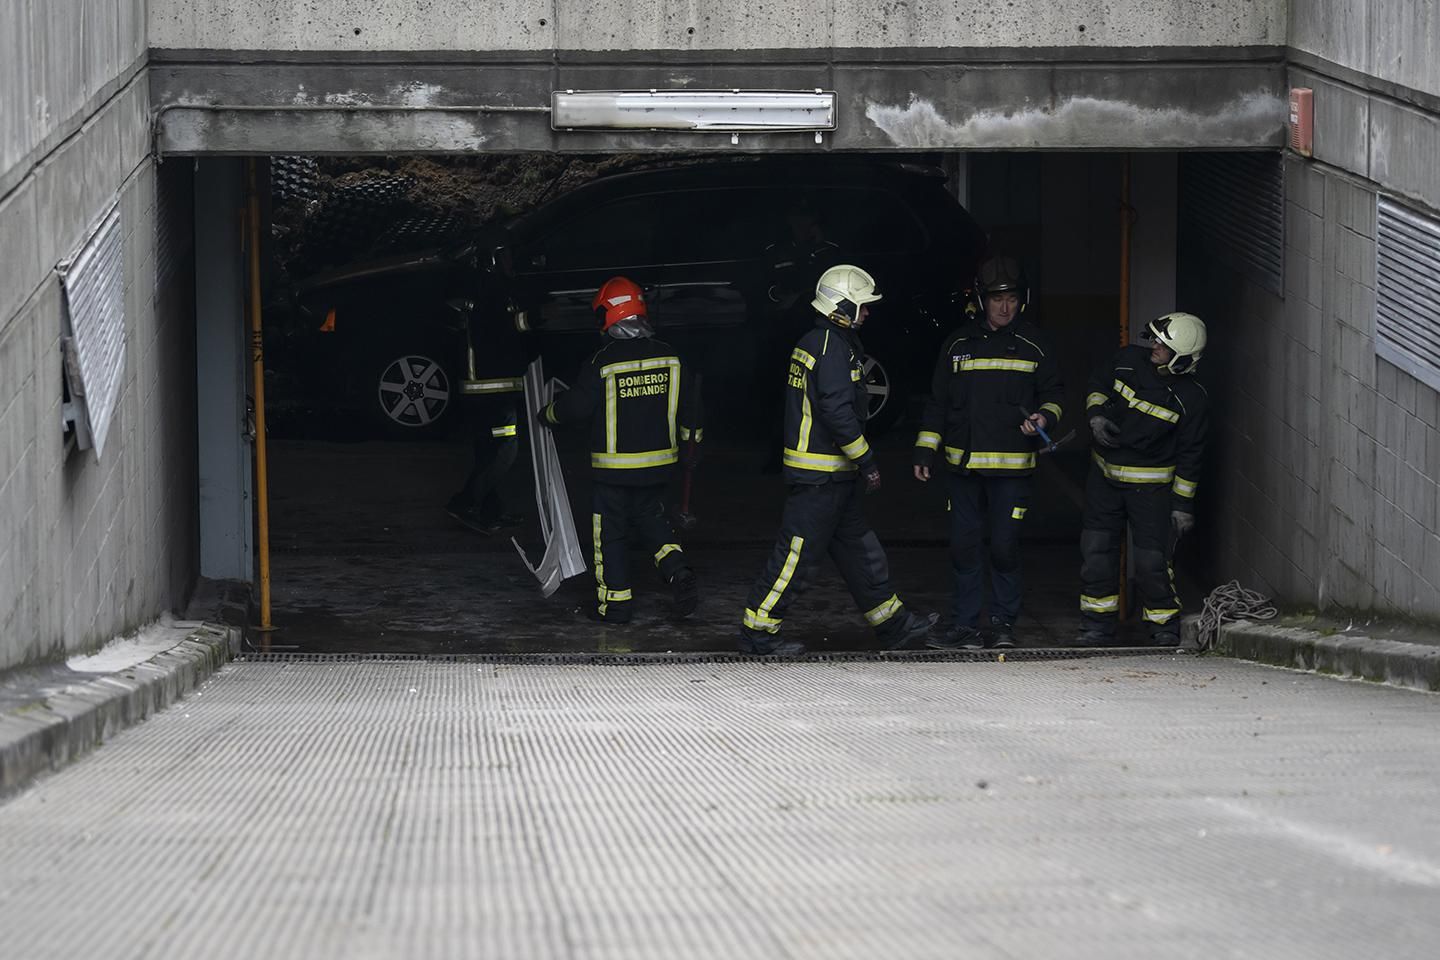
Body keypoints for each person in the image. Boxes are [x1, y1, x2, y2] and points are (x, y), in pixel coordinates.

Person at [738, 264, 937, 656]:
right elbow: (837, 413)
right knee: (795, 556)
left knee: (862, 552)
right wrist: (868, 461)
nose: (868, 314)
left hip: (832, 477)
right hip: (819, 477)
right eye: (863, 307)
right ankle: (758, 630)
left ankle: (893, 625)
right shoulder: (830, 348)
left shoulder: (822, 342)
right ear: (842, 307)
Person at [912, 256, 1064, 650]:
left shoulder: (1035, 345)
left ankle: (1001, 624)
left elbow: (1055, 395)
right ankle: (964, 625)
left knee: (1003, 548)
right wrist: (925, 451)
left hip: (1013, 471)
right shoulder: (957, 344)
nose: (1004, 307)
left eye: (1011, 298)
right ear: (982, 300)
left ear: (1021, 299)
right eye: (997, 298)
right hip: (962, 470)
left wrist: (1043, 418)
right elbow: (938, 404)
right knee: (964, 548)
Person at [540, 276, 701, 624]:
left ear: (608, 316)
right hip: (659, 467)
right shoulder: (672, 357)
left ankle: (616, 606)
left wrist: (548, 413)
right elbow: (693, 413)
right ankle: (677, 570)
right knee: (653, 522)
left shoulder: (602, 362)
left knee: (610, 535)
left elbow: (575, 409)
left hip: (613, 474)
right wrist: (691, 451)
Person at [1077, 312, 1209, 647]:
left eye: (1163, 345)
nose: (1154, 347)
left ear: (1181, 359)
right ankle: (1097, 626)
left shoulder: (1191, 399)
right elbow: (1097, 383)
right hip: (1103, 480)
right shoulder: (1126, 360)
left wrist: (1182, 507)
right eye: (1155, 340)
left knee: (1152, 562)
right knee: (1096, 552)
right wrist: (1096, 417)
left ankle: (1163, 625)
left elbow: (1191, 456)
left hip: (1151, 490)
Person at [446, 300, 527, 535]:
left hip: (480, 391)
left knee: (487, 452)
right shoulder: (493, 294)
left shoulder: (475, 290)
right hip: (494, 392)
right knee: (504, 448)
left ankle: (491, 513)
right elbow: (508, 327)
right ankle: (464, 502)